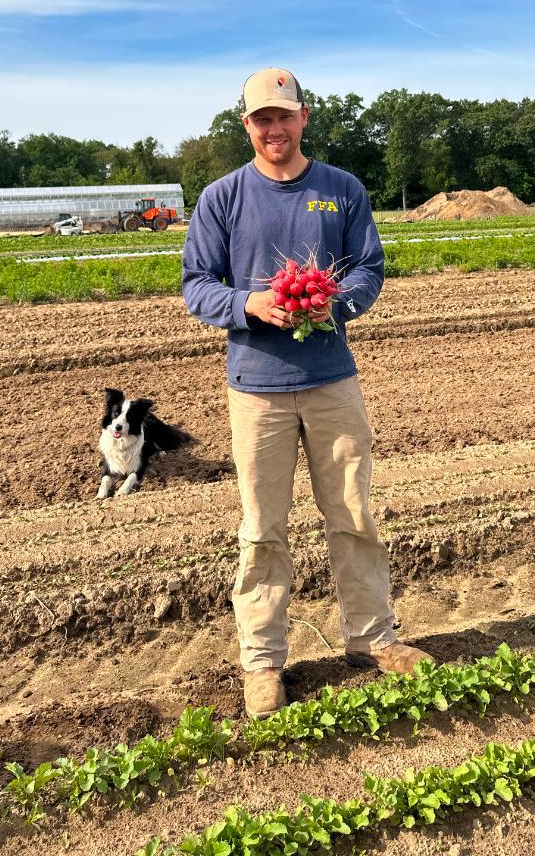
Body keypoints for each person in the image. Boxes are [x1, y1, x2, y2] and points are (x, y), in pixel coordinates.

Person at [182, 67, 432, 720]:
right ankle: (262, 662)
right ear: (247, 125)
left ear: (303, 118)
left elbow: (370, 270)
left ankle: (372, 640)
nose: (273, 128)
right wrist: (251, 303)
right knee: (262, 529)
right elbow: (196, 286)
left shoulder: (341, 191)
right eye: (261, 118)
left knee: (353, 514)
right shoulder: (223, 198)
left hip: (332, 382)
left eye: (283, 116)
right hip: (257, 389)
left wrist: (331, 301)